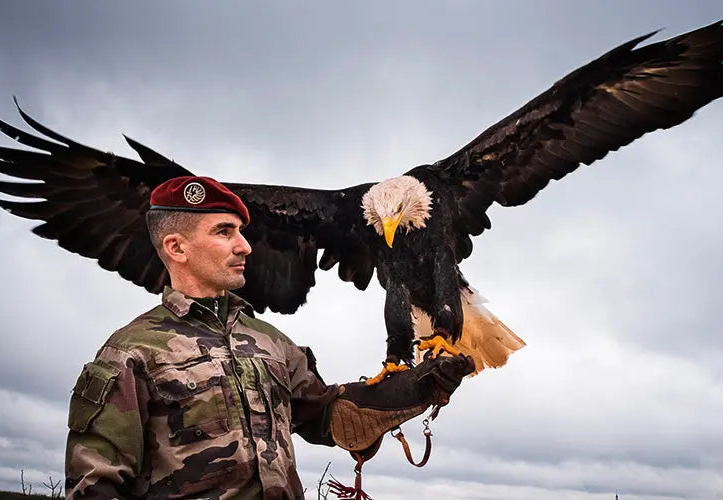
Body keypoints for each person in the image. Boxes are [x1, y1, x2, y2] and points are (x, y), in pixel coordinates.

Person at [64, 176, 474, 499]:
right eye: (225, 231)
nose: (245, 245)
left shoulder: (273, 345)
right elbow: (94, 486)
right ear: (177, 247)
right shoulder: (132, 352)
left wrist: (411, 392)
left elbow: (332, 420)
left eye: (242, 231)